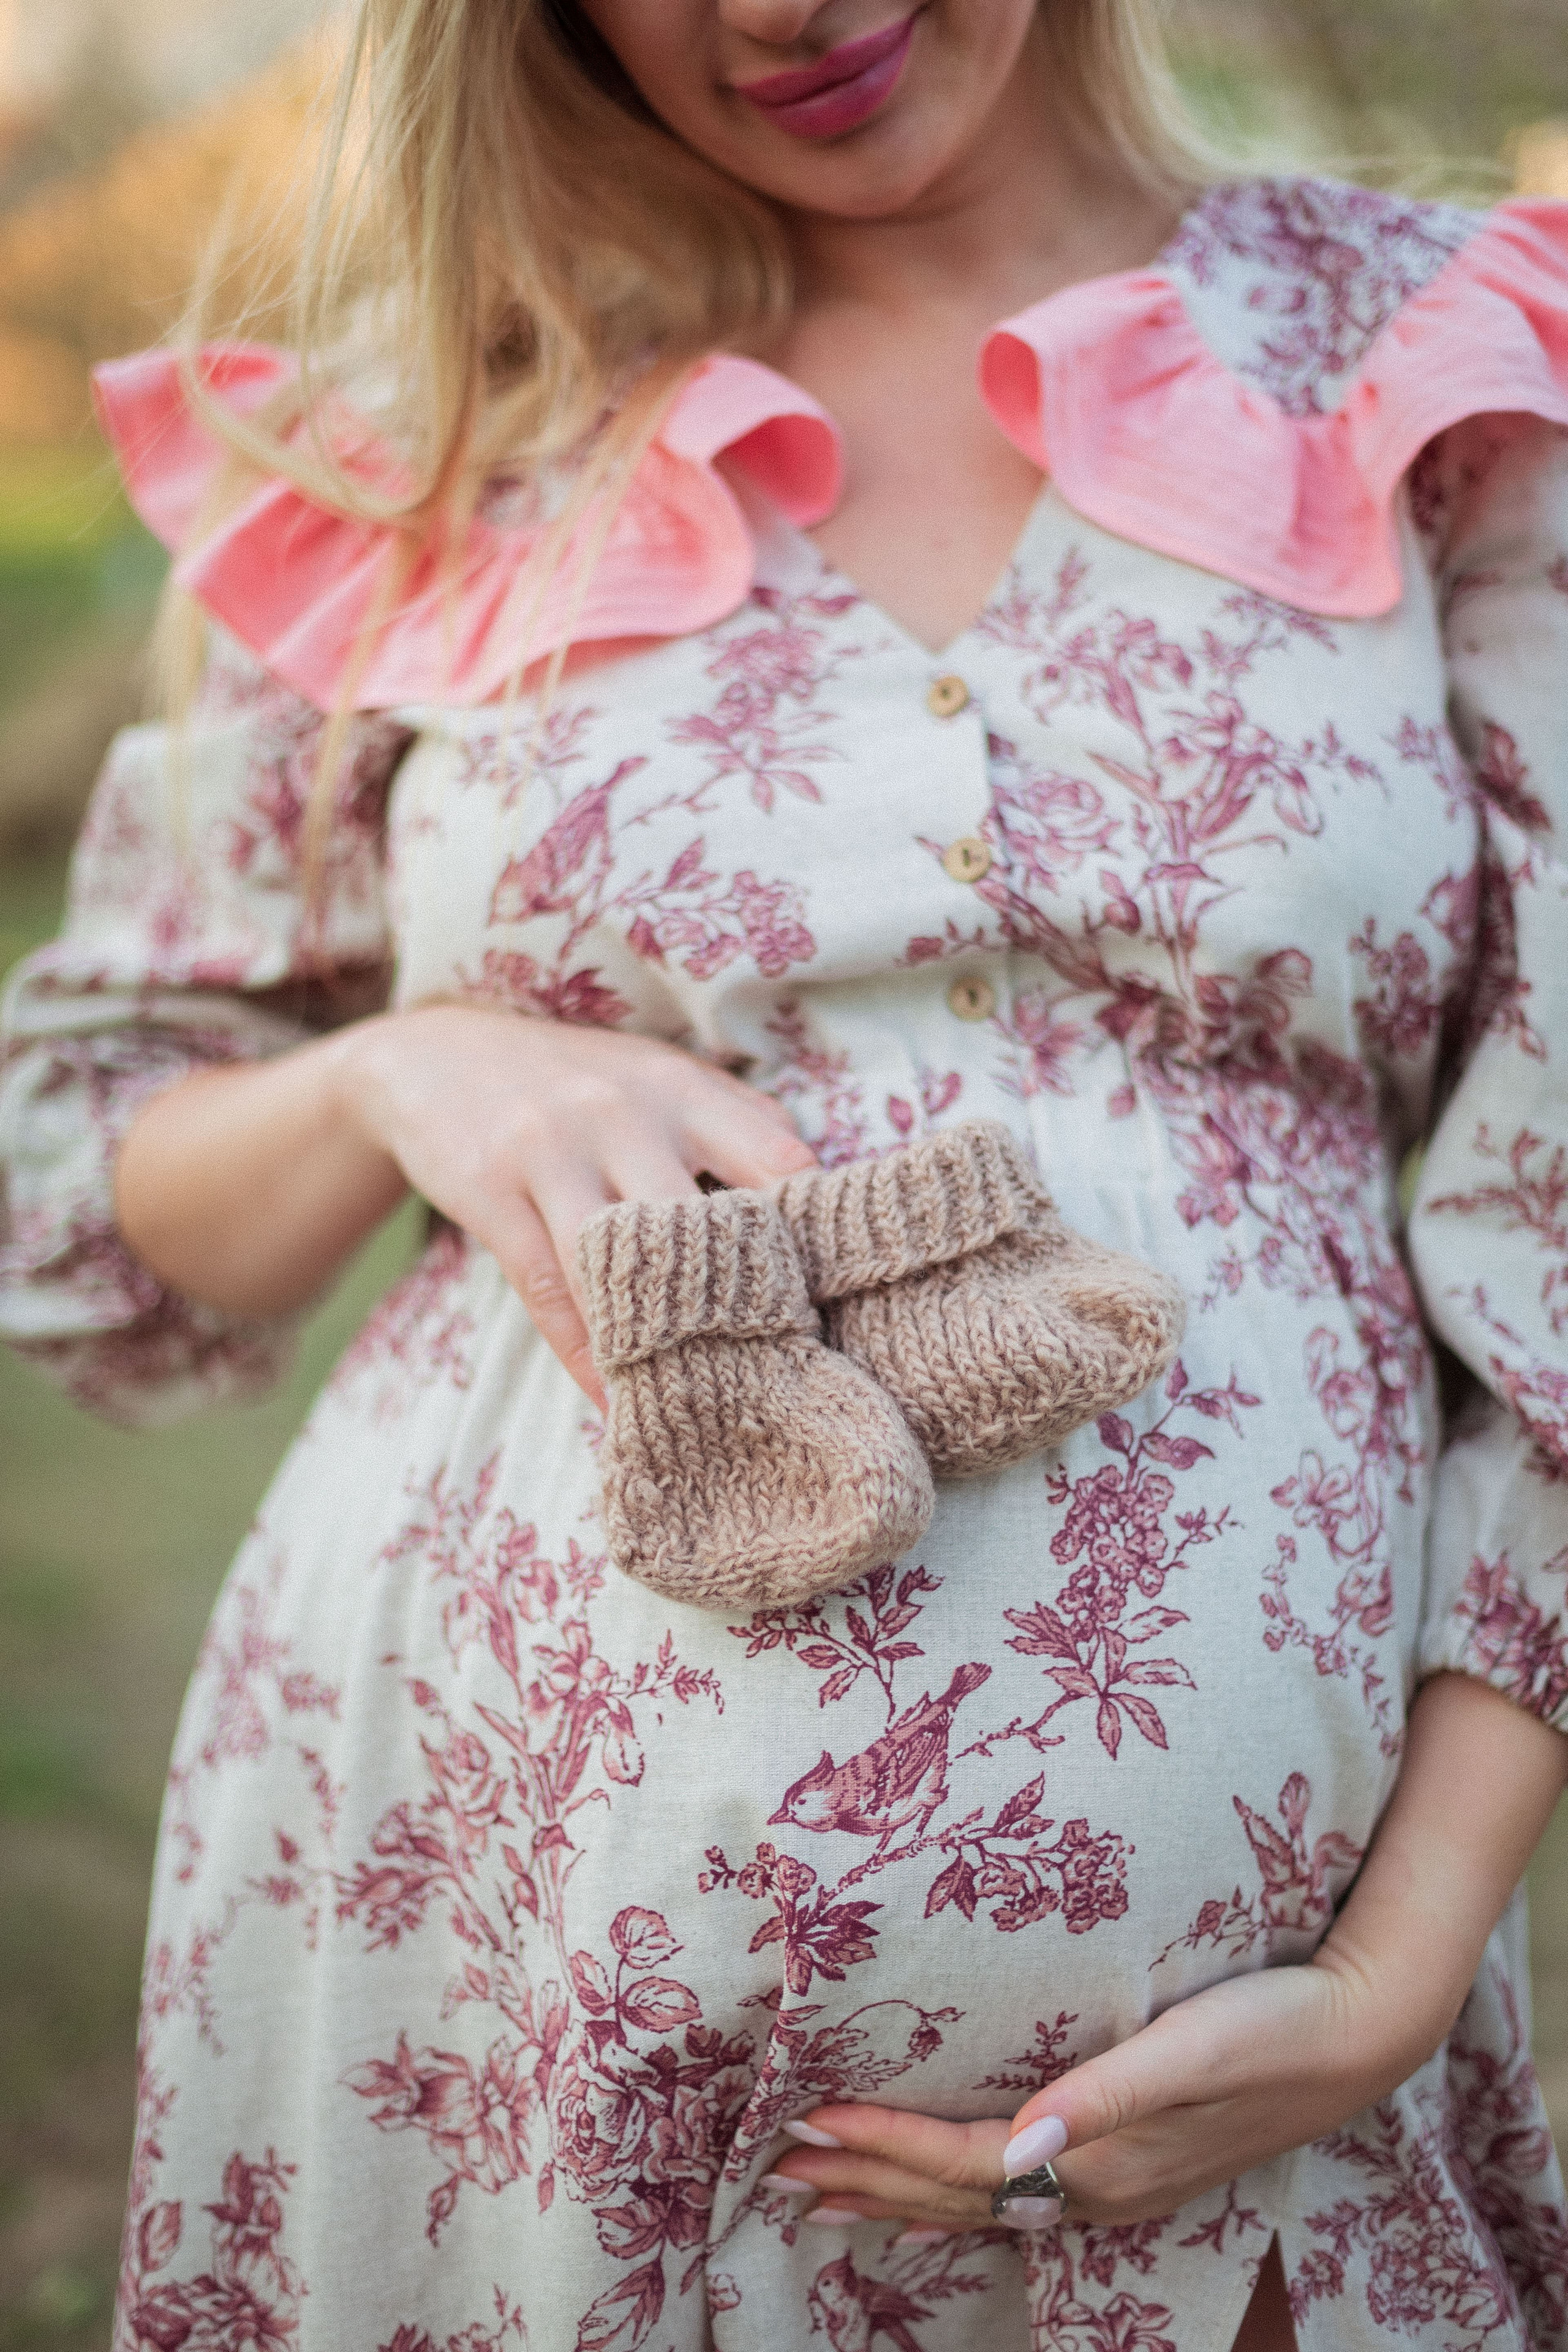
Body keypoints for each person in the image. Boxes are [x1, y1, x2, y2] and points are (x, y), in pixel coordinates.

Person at [2, 1, 1567, 2344]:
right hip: (490, 2007)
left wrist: (1393, 1974)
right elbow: (83, 1164)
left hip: (1268, 2095)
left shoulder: (1442, 367)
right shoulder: (435, 430)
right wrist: (396, 1075)